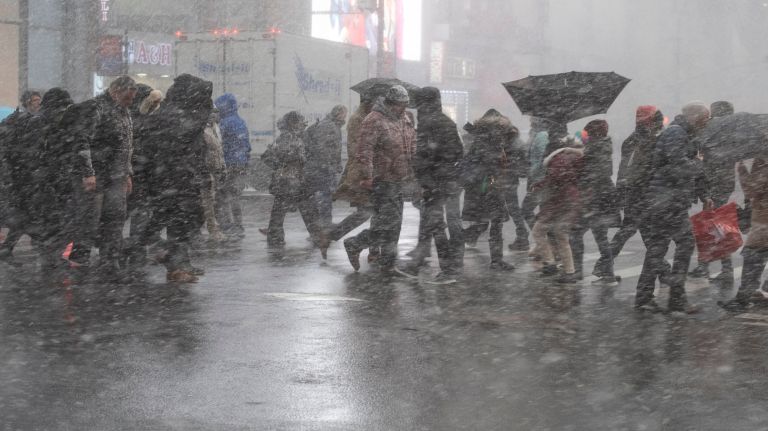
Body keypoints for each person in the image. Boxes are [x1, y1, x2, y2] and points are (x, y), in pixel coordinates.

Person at [634, 103, 713, 313]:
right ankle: (674, 298)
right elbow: (678, 167)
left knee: (659, 248)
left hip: (670, 200)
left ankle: (646, 297)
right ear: (694, 117)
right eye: (705, 118)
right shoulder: (676, 133)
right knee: (681, 244)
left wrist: (704, 193)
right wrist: (698, 163)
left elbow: (685, 167)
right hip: (665, 200)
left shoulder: (687, 135)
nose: (707, 122)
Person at [137, 73, 213, 283]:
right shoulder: (182, 118)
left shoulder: (175, 114)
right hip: (173, 178)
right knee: (179, 221)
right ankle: (170, 260)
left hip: (172, 178)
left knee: (176, 221)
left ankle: (175, 261)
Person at [68, 76, 137, 280]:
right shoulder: (96, 108)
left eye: (132, 99)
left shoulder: (124, 112)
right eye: (127, 98)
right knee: (90, 220)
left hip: (117, 175)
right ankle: (79, 262)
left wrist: (128, 173)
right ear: (115, 91)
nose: (129, 102)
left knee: (115, 218)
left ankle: (110, 262)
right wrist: (88, 173)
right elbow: (82, 141)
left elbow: (127, 145)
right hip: (97, 176)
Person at [343, 85, 416, 273]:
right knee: (387, 224)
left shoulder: (405, 119)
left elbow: (411, 143)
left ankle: (388, 263)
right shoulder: (374, 120)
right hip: (382, 179)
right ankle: (356, 243)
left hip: (399, 178)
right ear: (391, 103)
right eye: (400, 104)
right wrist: (367, 175)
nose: (403, 108)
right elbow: (364, 150)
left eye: (405, 104)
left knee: (395, 224)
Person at [3, 88, 73, 269]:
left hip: (30, 180)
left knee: (28, 218)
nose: (37, 103)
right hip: (30, 180)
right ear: (27, 102)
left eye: (38, 100)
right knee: (40, 219)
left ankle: (10, 250)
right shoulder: (31, 122)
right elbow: (31, 154)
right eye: (34, 100)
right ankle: (49, 256)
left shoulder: (34, 121)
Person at [401, 87, 464, 282]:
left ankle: (447, 270)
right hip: (446, 179)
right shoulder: (447, 121)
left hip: (433, 181)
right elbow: (458, 152)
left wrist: (423, 178)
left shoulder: (428, 123)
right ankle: (415, 265)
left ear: (423, 103)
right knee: (431, 223)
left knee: (435, 224)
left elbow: (422, 156)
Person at [460, 109, 518, 271]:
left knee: (491, 223)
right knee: (490, 222)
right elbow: (486, 166)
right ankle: (458, 249)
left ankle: (495, 260)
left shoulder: (486, 140)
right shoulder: (487, 143)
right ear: (496, 127)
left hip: (487, 189)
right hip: (487, 189)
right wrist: (495, 174)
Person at [261, 111, 326, 253]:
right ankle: (316, 236)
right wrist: (283, 165)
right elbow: (267, 156)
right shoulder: (286, 137)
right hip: (289, 180)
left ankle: (276, 236)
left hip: (295, 179)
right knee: (302, 207)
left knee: (286, 209)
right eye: (300, 122)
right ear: (292, 123)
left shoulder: (296, 137)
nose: (303, 125)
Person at [689, 101, 737, 284]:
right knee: (715, 224)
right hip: (722, 182)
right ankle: (708, 265)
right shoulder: (732, 131)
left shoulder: (716, 131)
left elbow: (703, 151)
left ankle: (721, 269)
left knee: (717, 226)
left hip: (715, 182)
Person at [610, 106, 665, 260]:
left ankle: (604, 264)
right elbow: (642, 168)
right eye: (657, 121)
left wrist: (621, 189)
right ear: (651, 121)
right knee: (640, 231)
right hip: (642, 191)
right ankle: (604, 264)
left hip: (634, 191)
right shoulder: (649, 141)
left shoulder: (631, 139)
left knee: (636, 230)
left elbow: (624, 168)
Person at [570, 120, 621, 285]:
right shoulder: (601, 147)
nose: (586, 136)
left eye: (588, 133)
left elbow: (593, 175)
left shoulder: (596, 149)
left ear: (594, 133)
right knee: (600, 237)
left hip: (594, 199)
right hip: (602, 197)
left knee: (577, 233)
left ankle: (579, 271)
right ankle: (607, 273)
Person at [328, 94, 378, 260]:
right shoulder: (359, 119)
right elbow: (358, 149)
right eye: (375, 101)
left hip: (369, 171)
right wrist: (367, 172)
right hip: (362, 173)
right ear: (367, 101)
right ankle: (331, 236)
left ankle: (373, 250)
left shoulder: (367, 117)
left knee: (372, 212)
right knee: (367, 212)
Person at [530, 136, 584, 283]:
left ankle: (554, 266)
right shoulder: (567, 158)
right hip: (569, 201)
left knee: (539, 231)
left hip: (561, 202)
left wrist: (540, 185)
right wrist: (541, 184)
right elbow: (560, 178)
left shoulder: (557, 160)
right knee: (560, 235)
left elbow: (557, 179)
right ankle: (566, 270)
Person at [719, 158, 768, 311]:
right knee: (757, 253)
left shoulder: (763, 161)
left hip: (764, 218)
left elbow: (754, 190)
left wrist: (742, 172)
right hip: (762, 216)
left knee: (754, 253)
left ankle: (742, 299)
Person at [304, 105, 347, 229]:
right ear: (338, 113)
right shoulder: (329, 126)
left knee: (323, 195)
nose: (345, 116)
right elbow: (324, 148)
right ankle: (324, 223)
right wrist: (329, 164)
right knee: (325, 195)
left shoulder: (333, 125)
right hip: (322, 167)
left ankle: (321, 223)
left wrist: (336, 163)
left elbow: (334, 148)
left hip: (322, 166)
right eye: (344, 114)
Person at [215, 93, 251, 238]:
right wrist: (244, 162)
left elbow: (219, 144)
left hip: (227, 165)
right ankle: (238, 224)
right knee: (235, 196)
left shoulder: (224, 123)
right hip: (240, 165)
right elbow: (247, 146)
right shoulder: (240, 122)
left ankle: (226, 225)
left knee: (221, 196)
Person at [201, 109, 227, 242]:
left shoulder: (215, 129)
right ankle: (213, 230)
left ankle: (206, 229)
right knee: (208, 202)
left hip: (215, 170)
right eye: (210, 112)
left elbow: (219, 150)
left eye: (216, 112)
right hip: (206, 171)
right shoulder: (202, 130)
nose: (213, 114)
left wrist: (223, 167)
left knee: (210, 201)